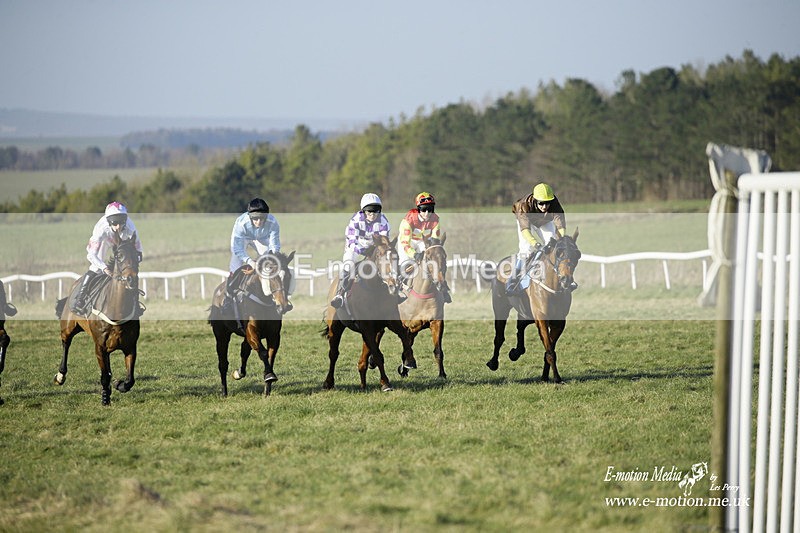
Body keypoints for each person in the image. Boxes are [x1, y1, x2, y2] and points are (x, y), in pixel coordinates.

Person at [71, 201, 143, 315]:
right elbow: (91, 255)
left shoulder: (130, 227)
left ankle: (135, 302)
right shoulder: (100, 229)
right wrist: (104, 267)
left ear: (125, 219)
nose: (118, 226)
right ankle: (80, 299)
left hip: (123, 241)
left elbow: (139, 250)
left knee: (131, 272)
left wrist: (133, 263)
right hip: (105, 240)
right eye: (115, 223)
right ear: (109, 221)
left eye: (121, 222)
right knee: (95, 267)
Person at [506, 182, 576, 294]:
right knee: (526, 249)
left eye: (547, 203)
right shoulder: (523, 206)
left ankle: (563, 277)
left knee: (553, 244)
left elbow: (560, 224)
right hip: (526, 223)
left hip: (544, 221)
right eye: (541, 203)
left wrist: (561, 241)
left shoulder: (554, 203)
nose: (545, 207)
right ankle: (512, 280)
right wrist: (536, 244)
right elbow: (526, 231)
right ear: (535, 200)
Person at [330, 193, 390, 309]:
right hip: (356, 247)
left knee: (387, 263)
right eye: (369, 211)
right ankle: (340, 294)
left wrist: (375, 251)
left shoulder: (384, 221)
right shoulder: (355, 220)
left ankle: (394, 290)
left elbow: (384, 242)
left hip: (374, 248)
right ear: (363, 211)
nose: (372, 214)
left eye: (376, 210)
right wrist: (364, 250)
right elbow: (352, 241)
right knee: (348, 265)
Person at [396, 192, 451, 303]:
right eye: (424, 209)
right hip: (407, 242)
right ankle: (398, 288)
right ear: (418, 209)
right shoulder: (408, 220)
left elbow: (435, 241)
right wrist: (415, 255)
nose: (427, 213)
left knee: (435, 260)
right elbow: (405, 243)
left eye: (430, 209)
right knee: (405, 264)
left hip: (423, 242)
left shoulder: (435, 220)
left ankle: (443, 286)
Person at [229, 198, 280, 272]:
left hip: (261, 237)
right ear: (250, 216)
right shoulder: (241, 223)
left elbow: (274, 245)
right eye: (255, 218)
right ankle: (232, 278)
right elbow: (238, 249)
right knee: (236, 259)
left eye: (262, 218)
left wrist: (272, 257)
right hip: (244, 238)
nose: (259, 222)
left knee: (267, 257)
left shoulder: (273, 222)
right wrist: (249, 261)